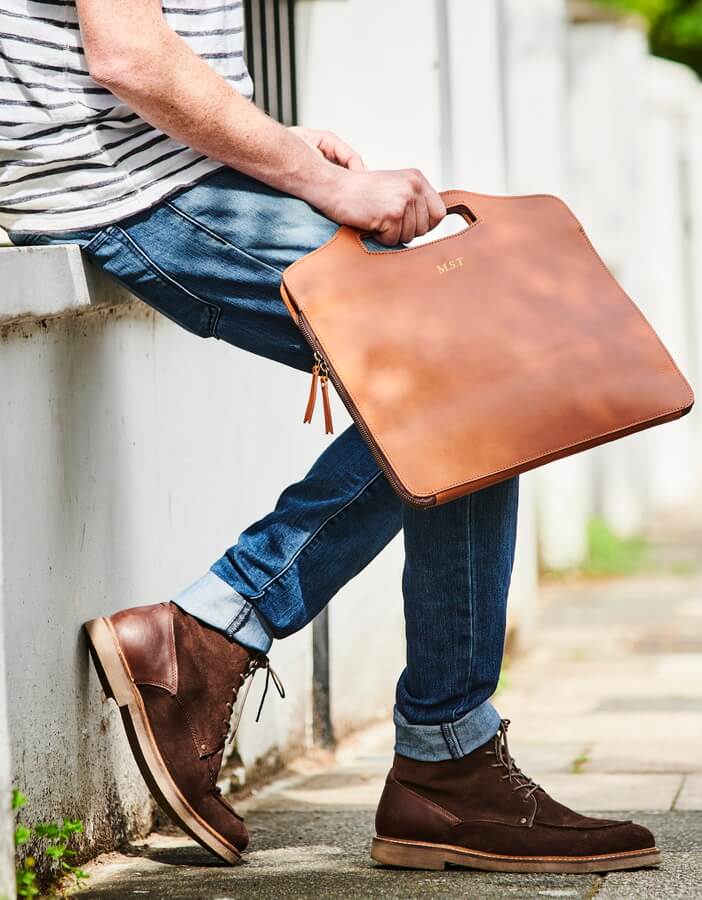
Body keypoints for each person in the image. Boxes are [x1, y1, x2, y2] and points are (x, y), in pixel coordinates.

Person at [1, 0, 659, 874]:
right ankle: (248, 651)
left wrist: (274, 142)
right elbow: (129, 56)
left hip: (172, 175)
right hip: (135, 193)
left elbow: (164, 54)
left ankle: (397, 734)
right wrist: (322, 182)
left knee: (471, 363)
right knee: (474, 364)